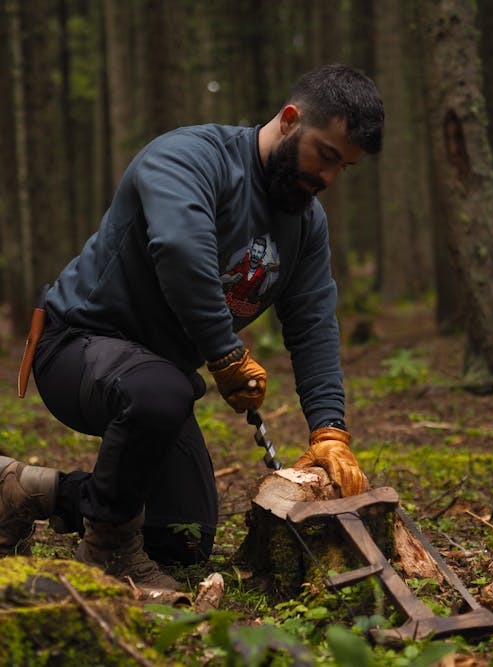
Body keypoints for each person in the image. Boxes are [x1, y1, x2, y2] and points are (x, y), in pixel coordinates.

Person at [0, 63, 384, 595]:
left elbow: (314, 323)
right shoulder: (189, 158)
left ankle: (27, 491)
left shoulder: (307, 225)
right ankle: (108, 549)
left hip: (158, 379)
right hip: (77, 348)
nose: (329, 178)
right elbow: (181, 252)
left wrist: (329, 430)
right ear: (291, 119)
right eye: (326, 155)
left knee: (184, 537)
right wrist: (226, 356)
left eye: (345, 167)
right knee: (163, 390)